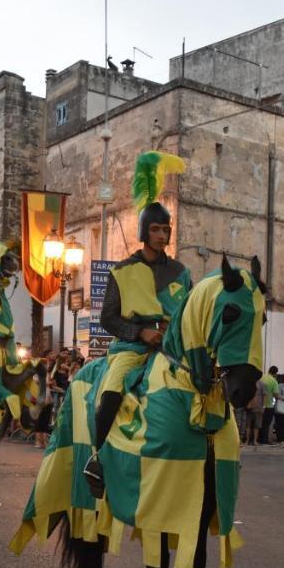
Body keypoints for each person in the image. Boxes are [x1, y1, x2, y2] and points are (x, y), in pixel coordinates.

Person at [83, 151, 192, 497]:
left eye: (166, 229)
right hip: (132, 349)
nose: (161, 235)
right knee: (112, 390)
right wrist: (141, 332)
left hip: (172, 347)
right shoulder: (123, 271)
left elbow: (188, 313)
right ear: (145, 230)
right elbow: (107, 318)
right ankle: (96, 458)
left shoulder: (181, 272)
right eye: (156, 229)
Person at [259, 366, 278, 444]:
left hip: (259, 404)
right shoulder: (274, 381)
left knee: (259, 423)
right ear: (275, 373)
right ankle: (264, 440)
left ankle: (257, 439)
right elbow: (276, 394)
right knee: (266, 424)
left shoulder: (262, 377)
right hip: (269, 405)